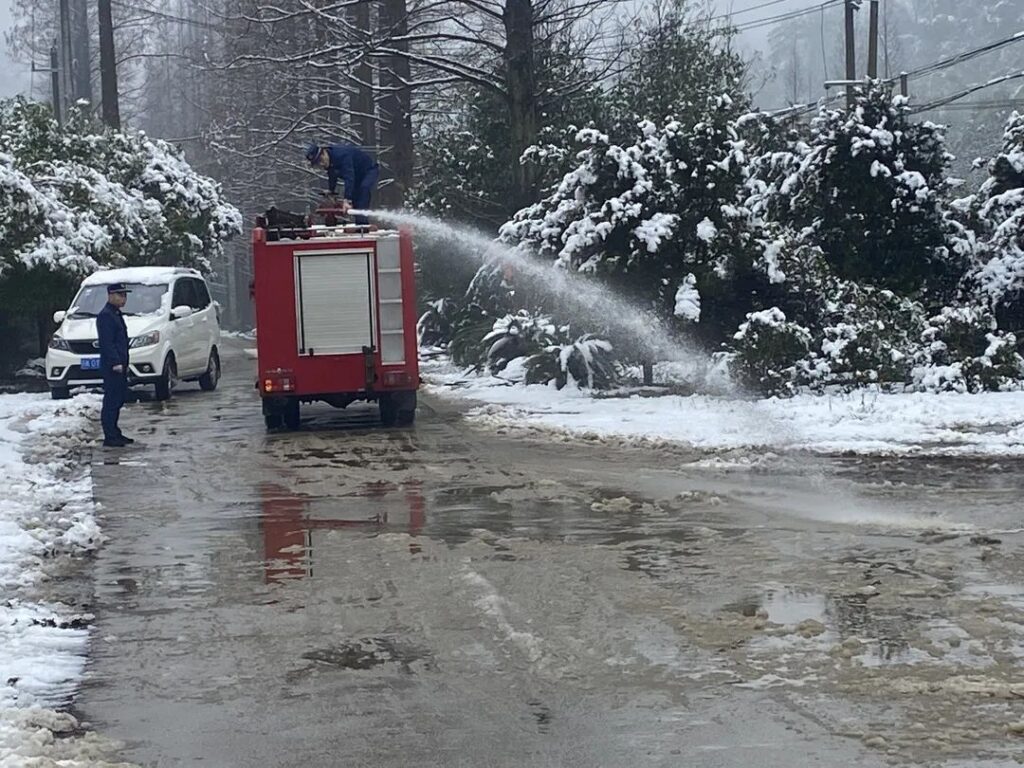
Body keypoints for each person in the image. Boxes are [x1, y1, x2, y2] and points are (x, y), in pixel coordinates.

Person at [305, 142, 380, 225]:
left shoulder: (342, 156)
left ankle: (363, 225)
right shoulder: (330, 161)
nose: (321, 164)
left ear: (324, 153)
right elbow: (332, 176)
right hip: (356, 176)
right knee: (355, 198)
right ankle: (360, 224)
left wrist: (346, 199)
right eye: (318, 164)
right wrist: (331, 191)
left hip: (368, 170)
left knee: (363, 190)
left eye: (321, 160)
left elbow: (349, 178)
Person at [96, 283, 134, 448]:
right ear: (111, 295)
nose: (123, 298)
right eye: (120, 295)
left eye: (125, 295)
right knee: (111, 400)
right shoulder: (106, 316)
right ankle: (110, 435)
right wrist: (116, 362)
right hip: (113, 366)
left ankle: (115, 431)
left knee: (118, 399)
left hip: (121, 363)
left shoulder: (115, 314)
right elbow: (107, 343)